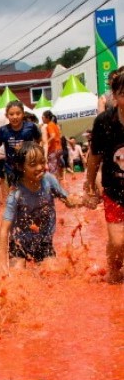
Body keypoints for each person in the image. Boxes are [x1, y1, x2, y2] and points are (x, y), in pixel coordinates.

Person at [0, 142, 80, 275]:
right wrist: (2, 265)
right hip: (19, 244)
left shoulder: (49, 181)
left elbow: (68, 201)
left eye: (42, 162)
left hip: (43, 242)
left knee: (53, 275)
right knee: (17, 277)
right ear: (20, 167)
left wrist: (85, 201)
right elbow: (4, 229)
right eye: (33, 164)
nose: (40, 167)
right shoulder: (16, 194)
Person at [84, 68, 124, 284]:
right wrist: (89, 184)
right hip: (114, 189)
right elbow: (95, 156)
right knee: (117, 242)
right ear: (115, 96)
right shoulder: (104, 122)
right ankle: (114, 272)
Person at [0, 101, 42, 186]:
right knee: (15, 190)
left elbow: (39, 141)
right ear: (6, 115)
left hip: (29, 167)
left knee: (32, 188)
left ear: (23, 114)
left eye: (18, 113)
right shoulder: (3, 131)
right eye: (11, 114)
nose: (15, 117)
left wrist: (40, 159)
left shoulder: (31, 127)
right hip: (11, 169)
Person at [41, 110, 63, 181]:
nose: (42, 118)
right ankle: (58, 182)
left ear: (47, 118)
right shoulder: (54, 124)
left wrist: (46, 142)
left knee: (52, 168)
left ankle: (54, 184)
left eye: (43, 117)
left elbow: (53, 136)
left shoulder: (49, 125)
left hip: (54, 149)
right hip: (59, 148)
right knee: (57, 167)